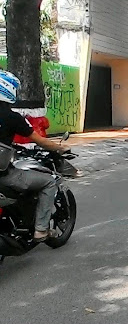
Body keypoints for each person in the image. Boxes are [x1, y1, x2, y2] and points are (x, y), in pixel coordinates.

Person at [0, 70, 70, 241]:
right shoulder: (12, 117)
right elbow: (40, 141)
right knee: (49, 182)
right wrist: (60, 148)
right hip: (4, 177)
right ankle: (40, 230)